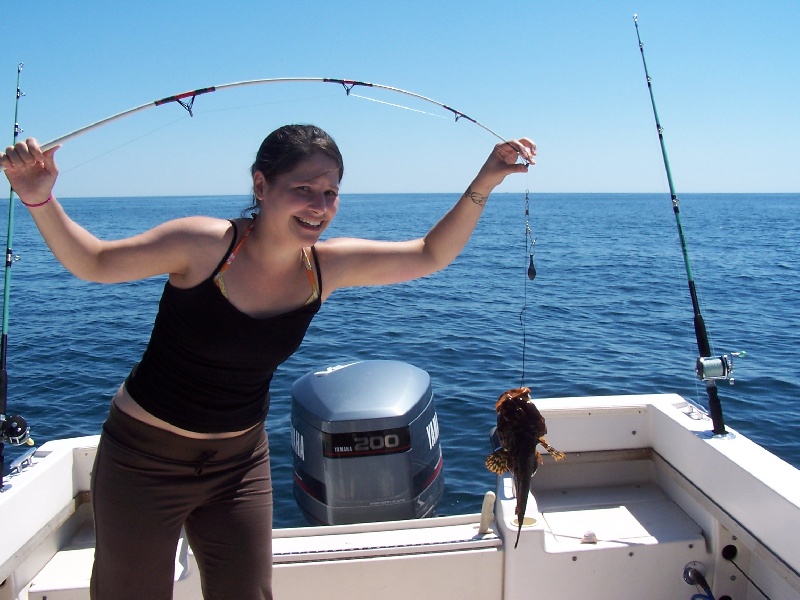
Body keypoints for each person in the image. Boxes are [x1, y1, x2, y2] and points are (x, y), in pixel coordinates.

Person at [1, 125, 536, 599]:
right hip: (144, 461)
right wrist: (39, 199)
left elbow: (429, 255)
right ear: (261, 186)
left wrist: (485, 180)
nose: (319, 205)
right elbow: (93, 262)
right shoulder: (203, 244)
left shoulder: (325, 267)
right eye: (303, 189)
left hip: (239, 466)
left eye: (330, 193)